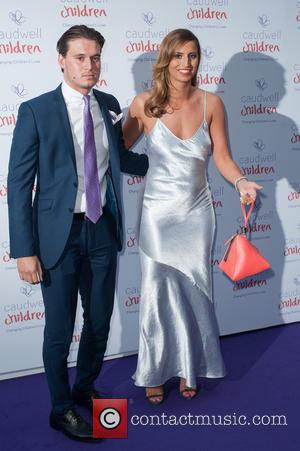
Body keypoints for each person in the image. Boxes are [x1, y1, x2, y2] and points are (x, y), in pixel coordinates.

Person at [7, 25, 148, 441]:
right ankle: (60, 407)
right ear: (62, 60)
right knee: (59, 327)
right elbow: (18, 185)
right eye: (81, 57)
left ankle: (85, 388)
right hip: (57, 236)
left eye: (96, 57)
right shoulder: (36, 110)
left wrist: (172, 166)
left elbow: (119, 158)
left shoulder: (107, 104)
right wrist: (24, 251)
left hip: (101, 229)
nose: (90, 65)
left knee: (100, 321)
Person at [123, 28, 262, 404]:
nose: (186, 64)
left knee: (196, 294)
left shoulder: (211, 104)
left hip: (198, 214)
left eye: (193, 56)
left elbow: (223, 158)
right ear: (166, 59)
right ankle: (153, 370)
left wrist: (241, 182)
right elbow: (117, 152)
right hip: (157, 214)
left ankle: (188, 368)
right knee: (154, 292)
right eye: (179, 56)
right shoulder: (143, 104)